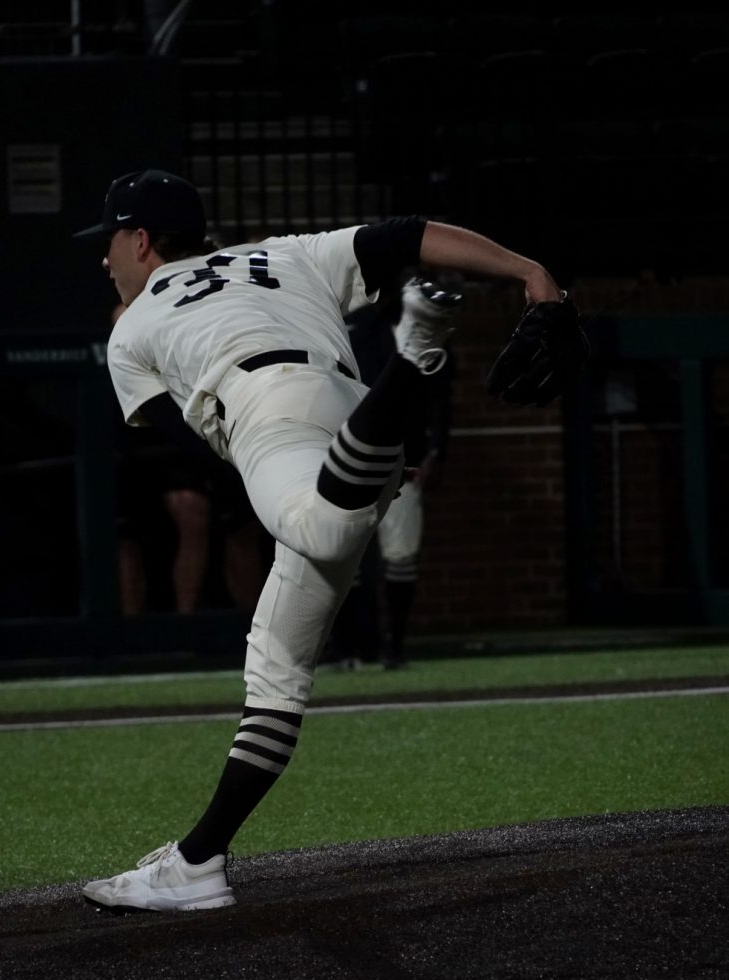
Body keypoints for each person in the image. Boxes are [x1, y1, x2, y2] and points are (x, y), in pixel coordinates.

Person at [74, 168, 563, 912]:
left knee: (318, 526)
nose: (103, 258)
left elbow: (185, 445)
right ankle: (198, 864)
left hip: (273, 420)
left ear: (140, 240)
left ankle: (414, 352)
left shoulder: (131, 324)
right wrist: (533, 273)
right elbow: (410, 233)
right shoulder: (285, 252)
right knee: (276, 664)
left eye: (109, 241)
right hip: (350, 416)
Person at [110, 302, 267, 616]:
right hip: (136, 446)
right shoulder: (128, 317)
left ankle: (203, 625)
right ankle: (130, 635)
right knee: (124, 530)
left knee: (214, 514)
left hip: (196, 439)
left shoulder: (191, 302)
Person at [330, 281, 455, 669]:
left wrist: (435, 449)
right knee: (342, 554)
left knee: (400, 554)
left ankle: (393, 648)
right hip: (349, 452)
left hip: (403, 455)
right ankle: (353, 649)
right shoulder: (345, 324)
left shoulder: (416, 327)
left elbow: (438, 392)